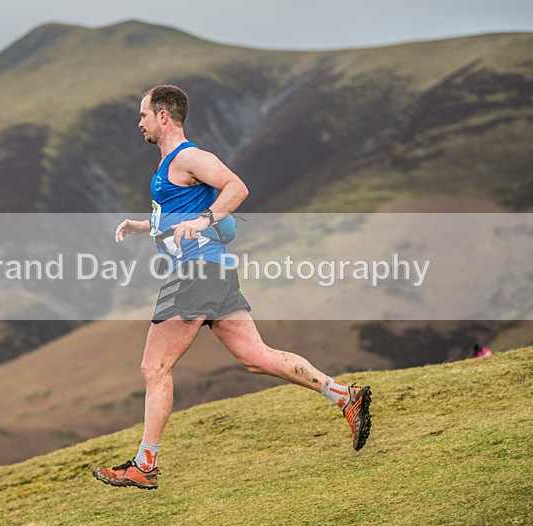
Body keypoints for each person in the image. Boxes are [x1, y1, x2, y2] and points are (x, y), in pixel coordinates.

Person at [92, 85, 371, 490]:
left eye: (144, 115)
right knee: (257, 357)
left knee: (154, 368)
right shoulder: (169, 164)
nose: (140, 123)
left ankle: (144, 465)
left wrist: (204, 219)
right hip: (214, 272)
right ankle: (346, 397)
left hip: (195, 273)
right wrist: (143, 226)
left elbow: (236, 187)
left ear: (163, 116)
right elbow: (178, 213)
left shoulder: (188, 157)